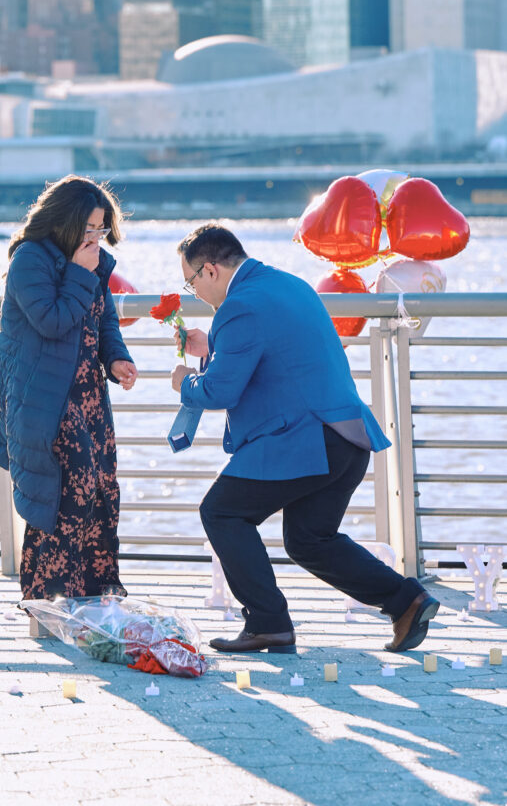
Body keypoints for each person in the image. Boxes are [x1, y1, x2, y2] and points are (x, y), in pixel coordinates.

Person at [170, 223, 439, 654]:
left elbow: (220, 391)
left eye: (190, 281)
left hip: (305, 441)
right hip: (346, 437)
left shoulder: (238, 307)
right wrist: (212, 349)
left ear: (211, 270)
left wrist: (184, 380)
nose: (193, 292)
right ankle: (407, 600)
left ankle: (268, 623)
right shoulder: (288, 285)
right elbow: (275, 354)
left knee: (221, 513)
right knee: (310, 539)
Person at [0, 175, 138, 600]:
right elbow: (52, 321)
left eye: (101, 228)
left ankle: (93, 593)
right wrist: (78, 272)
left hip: (88, 391)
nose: (96, 237)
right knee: (69, 489)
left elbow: (103, 317)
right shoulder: (30, 260)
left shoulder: (89, 262)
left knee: (102, 486)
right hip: (44, 397)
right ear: (65, 222)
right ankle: (48, 593)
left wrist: (117, 358)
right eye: (89, 228)